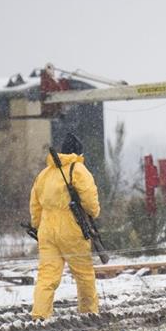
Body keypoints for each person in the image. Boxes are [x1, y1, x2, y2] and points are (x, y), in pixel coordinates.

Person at [30, 133, 100, 320]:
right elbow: (90, 202)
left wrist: (38, 226)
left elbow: (35, 206)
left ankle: (39, 315)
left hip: (46, 230)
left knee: (47, 276)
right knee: (83, 274)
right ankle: (88, 313)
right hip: (72, 228)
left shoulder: (44, 174)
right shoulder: (78, 170)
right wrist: (94, 214)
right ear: (78, 152)